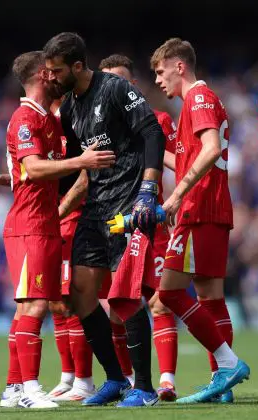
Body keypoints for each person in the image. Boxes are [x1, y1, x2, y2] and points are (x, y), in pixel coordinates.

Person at [0, 50, 115, 409]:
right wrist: (82, 162)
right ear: (41, 74)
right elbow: (34, 169)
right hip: (29, 226)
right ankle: (31, 389)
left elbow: (30, 171)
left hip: (45, 223)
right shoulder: (25, 119)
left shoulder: (49, 120)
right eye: (51, 71)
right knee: (35, 306)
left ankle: (13, 388)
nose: (58, 77)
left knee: (31, 308)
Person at [44, 32, 167, 407]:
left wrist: (148, 190)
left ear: (78, 66)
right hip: (96, 209)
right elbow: (74, 167)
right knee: (79, 293)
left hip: (127, 207)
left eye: (56, 70)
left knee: (125, 296)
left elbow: (152, 132)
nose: (50, 77)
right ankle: (115, 378)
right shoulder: (69, 108)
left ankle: (144, 388)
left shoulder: (113, 88)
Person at [151, 37, 250, 404]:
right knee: (211, 297)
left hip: (198, 208)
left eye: (161, 72)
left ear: (180, 66)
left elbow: (209, 150)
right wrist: (153, 152)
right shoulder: (199, 101)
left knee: (169, 293)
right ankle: (222, 382)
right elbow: (191, 157)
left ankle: (228, 364)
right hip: (212, 208)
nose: (159, 81)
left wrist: (175, 196)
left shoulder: (199, 97)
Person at [97, 54, 180, 401]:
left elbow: (180, 162)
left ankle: (166, 381)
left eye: (120, 81)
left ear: (132, 85)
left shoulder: (157, 119)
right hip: (112, 225)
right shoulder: (98, 126)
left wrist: (173, 201)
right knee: (116, 310)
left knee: (159, 302)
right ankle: (127, 380)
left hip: (149, 223)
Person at [47, 98, 96, 402]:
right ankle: (68, 377)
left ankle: (84, 382)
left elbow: (84, 180)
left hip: (73, 220)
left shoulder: (76, 123)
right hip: (54, 221)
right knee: (57, 303)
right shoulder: (43, 123)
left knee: (74, 301)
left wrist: (57, 214)